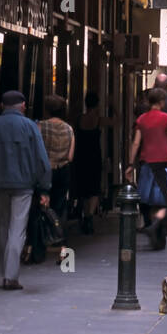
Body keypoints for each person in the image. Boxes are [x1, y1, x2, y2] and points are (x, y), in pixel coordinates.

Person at [0, 91, 51, 290]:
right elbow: (41, 159)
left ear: (2, 106)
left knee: (3, 228)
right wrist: (44, 189)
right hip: (23, 185)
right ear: (22, 105)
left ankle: (6, 273)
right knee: (17, 229)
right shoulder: (30, 127)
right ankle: (11, 276)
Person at [126, 88, 167, 250]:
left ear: (149, 102)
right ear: (162, 102)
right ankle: (156, 227)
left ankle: (151, 227)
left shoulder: (142, 119)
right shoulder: (166, 118)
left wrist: (130, 164)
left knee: (146, 198)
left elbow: (136, 143)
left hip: (146, 163)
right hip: (162, 163)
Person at [37, 95, 75, 255]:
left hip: (44, 170)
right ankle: (62, 247)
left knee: (41, 207)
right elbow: (70, 156)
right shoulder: (68, 129)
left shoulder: (40, 126)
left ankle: (39, 243)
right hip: (62, 170)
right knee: (59, 209)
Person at [73, 92, 111, 234]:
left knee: (83, 188)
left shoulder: (78, 119)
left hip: (80, 156)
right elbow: (117, 121)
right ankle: (89, 217)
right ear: (97, 105)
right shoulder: (99, 120)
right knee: (94, 187)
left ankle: (84, 214)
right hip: (94, 156)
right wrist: (112, 105)